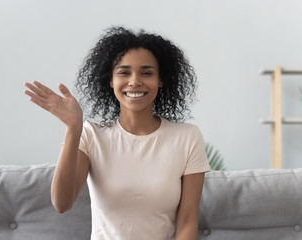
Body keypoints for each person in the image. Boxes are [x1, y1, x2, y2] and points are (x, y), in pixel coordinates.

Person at [24, 26, 210, 240]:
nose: (134, 81)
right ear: (110, 80)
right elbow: (61, 203)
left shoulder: (187, 137)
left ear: (160, 79)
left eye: (146, 73)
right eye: (124, 72)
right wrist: (73, 128)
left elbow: (187, 221)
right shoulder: (91, 135)